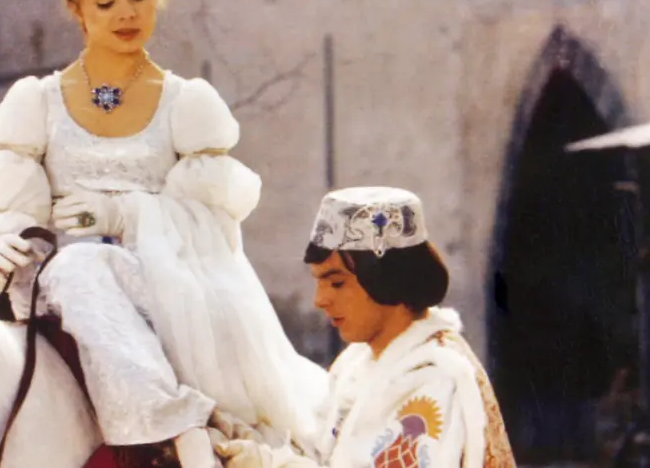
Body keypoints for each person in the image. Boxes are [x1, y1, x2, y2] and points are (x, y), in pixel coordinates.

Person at [0, 0, 329, 468]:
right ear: (76, 5)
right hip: (65, 291)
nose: (126, 13)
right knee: (79, 266)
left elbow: (216, 226)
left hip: (164, 285)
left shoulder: (185, 104)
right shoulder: (38, 103)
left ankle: (174, 430)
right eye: (106, 1)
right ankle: (178, 428)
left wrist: (123, 216)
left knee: (88, 265)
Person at [214, 186, 516, 467]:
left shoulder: (435, 378)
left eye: (336, 283)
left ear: (387, 279)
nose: (320, 300)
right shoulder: (356, 362)